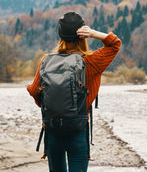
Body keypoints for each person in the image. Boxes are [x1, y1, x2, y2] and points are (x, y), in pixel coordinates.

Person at [27, 11, 121, 172]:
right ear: (82, 34)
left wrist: (53, 104)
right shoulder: (90, 62)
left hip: (53, 130)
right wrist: (93, 33)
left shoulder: (46, 61)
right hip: (78, 130)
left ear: (60, 35)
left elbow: (35, 91)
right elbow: (114, 44)